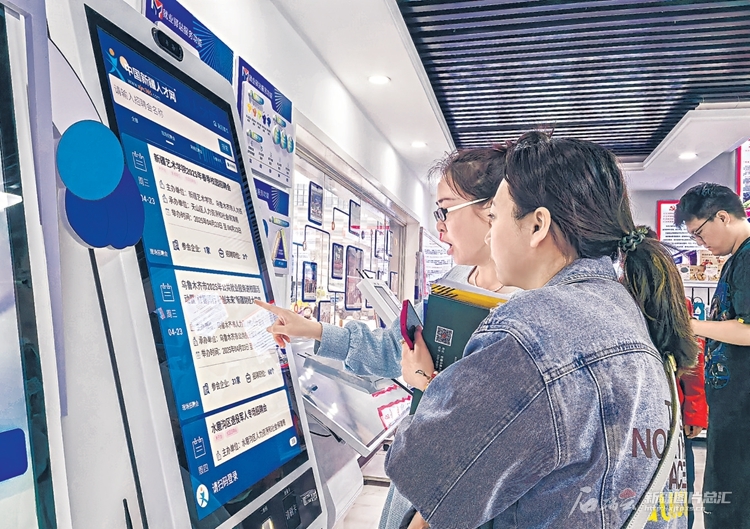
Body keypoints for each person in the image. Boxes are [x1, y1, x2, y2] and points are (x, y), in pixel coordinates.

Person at [388, 130, 698, 528]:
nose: (489, 234)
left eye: (495, 217)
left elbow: (428, 478)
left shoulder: (531, 332)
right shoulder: (629, 310)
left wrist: (422, 383)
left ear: (537, 226)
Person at [256, 146, 514, 529]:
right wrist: (312, 330)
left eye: (445, 209)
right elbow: (391, 347)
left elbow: (500, 429)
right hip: (417, 470)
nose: (440, 226)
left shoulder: (524, 308)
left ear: (491, 209)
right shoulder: (453, 283)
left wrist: (426, 384)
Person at [674, 182, 750, 529]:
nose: (700, 244)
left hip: (743, 409)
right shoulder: (737, 258)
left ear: (722, 217)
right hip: (732, 407)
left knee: (734, 504)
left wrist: (691, 326)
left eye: (699, 234)